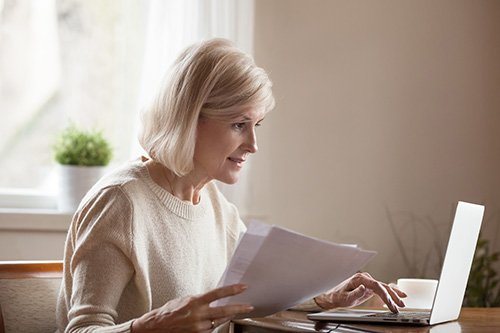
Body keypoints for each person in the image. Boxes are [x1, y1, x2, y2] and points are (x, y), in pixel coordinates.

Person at [56, 38, 406, 333]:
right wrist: (151, 327)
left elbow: (251, 298)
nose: (253, 144)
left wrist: (325, 297)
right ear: (189, 119)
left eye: (257, 125)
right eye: (239, 124)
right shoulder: (120, 203)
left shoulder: (217, 208)